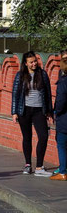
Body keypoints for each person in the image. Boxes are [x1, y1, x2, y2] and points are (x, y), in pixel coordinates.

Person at [11, 51, 53, 176]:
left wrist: (49, 111)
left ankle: (39, 167)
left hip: (39, 110)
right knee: (27, 137)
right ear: (26, 63)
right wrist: (14, 112)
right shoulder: (20, 75)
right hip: (24, 110)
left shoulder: (43, 74)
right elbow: (15, 94)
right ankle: (28, 164)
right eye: (31, 62)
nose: (34, 63)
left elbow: (48, 94)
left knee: (43, 136)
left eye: (35, 61)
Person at [51, 50, 67, 181]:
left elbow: (61, 100)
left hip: (65, 119)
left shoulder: (63, 81)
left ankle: (63, 172)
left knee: (61, 144)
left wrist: (56, 111)